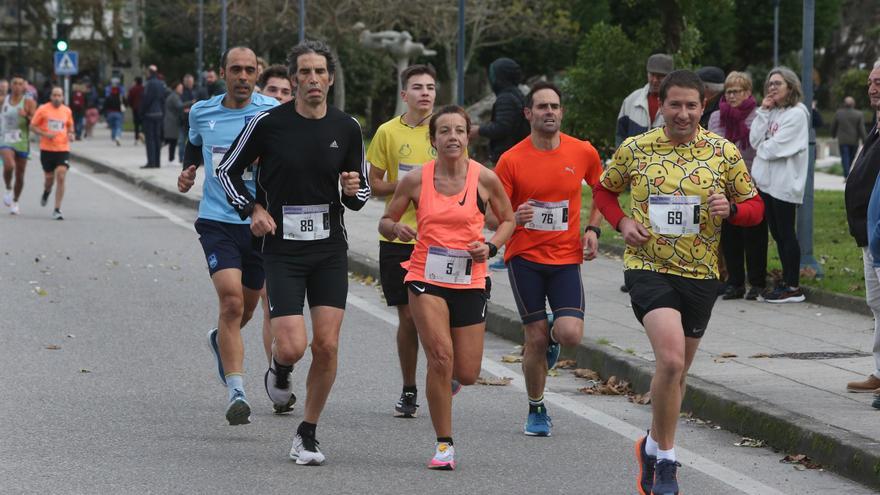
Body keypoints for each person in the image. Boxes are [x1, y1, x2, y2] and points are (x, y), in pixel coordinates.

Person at [593, 70, 764, 495]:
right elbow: (603, 191)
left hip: (702, 274)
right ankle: (667, 461)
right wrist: (622, 221)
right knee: (669, 361)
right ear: (661, 105)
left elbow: (756, 207)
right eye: (675, 105)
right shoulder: (637, 148)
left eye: (691, 105)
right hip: (648, 266)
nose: (683, 113)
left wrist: (733, 211)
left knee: (678, 373)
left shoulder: (722, 153)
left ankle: (651, 444)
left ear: (703, 106)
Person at [217, 40, 371, 465]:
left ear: (331, 78)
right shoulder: (268, 123)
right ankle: (281, 369)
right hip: (281, 252)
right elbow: (227, 170)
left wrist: (353, 191)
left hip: (329, 251)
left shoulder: (347, 127)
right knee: (292, 347)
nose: (313, 80)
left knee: (327, 345)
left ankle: (307, 432)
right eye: (305, 73)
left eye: (320, 72)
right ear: (294, 78)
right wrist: (253, 208)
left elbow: (362, 193)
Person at [379, 105, 514, 470]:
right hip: (425, 276)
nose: (452, 137)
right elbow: (386, 220)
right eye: (444, 131)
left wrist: (491, 246)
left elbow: (509, 219)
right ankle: (444, 444)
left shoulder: (484, 178)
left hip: (470, 279)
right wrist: (396, 229)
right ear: (433, 139)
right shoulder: (416, 180)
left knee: (466, 372)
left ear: (468, 135)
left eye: (459, 130)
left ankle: (447, 381)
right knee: (440, 357)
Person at [491, 81, 604, 437]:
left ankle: (553, 337)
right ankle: (536, 407)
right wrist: (514, 216)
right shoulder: (511, 160)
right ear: (528, 114)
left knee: (569, 334)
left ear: (562, 112)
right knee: (535, 338)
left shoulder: (582, 151)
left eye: (554, 106)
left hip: (566, 257)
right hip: (524, 257)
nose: (549, 112)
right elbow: (491, 214)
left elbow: (604, 191)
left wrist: (593, 229)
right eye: (542, 107)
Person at [177, 46, 279, 425]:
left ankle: (221, 341)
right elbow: (194, 145)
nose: (242, 76)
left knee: (247, 308)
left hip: (259, 225)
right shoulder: (203, 112)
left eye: (249, 70)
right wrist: (188, 171)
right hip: (217, 221)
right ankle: (237, 390)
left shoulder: (271, 112)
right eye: (235, 69)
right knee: (232, 302)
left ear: (258, 72)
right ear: (222, 72)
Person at [366, 64, 437, 418]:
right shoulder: (387, 133)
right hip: (398, 238)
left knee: (440, 319)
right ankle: (409, 388)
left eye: (430, 87)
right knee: (408, 318)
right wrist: (409, 185)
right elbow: (373, 184)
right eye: (417, 87)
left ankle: (442, 372)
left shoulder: (448, 131)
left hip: (440, 240)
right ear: (404, 95)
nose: (425, 92)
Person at [749, 66, 810, 303]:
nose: (772, 87)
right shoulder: (773, 111)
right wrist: (763, 111)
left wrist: (763, 146)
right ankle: (785, 281)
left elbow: (777, 147)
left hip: (785, 184)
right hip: (767, 183)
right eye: (770, 83)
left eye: (778, 83)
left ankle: (793, 286)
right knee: (777, 233)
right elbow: (755, 139)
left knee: (786, 233)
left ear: (791, 87)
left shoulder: (797, 113)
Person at [708, 71, 768, 301]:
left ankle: (757, 283)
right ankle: (735, 282)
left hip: (752, 181)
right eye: (729, 91)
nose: (731, 96)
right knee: (730, 235)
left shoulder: (757, 116)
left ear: (748, 92)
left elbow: (758, 147)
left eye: (737, 91)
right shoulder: (716, 118)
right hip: (724, 184)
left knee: (755, 235)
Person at [844, 63, 880, 399]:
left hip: (878, 233)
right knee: (876, 303)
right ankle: (879, 371)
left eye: (879, 82)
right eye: (871, 81)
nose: (872, 87)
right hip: (869, 235)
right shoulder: (875, 125)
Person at [469, 57, 530, 165]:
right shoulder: (516, 94)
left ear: (500, 77)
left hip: (508, 157)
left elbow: (502, 127)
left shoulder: (506, 98)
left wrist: (479, 130)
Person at [29, 86, 74, 220]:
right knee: (49, 179)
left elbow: (70, 125)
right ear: (50, 97)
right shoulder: (43, 109)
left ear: (63, 97)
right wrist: (44, 133)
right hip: (47, 149)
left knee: (61, 175)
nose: (56, 98)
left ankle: (57, 209)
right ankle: (47, 192)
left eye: (59, 95)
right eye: (54, 95)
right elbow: (32, 126)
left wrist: (71, 134)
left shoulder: (67, 110)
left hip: (62, 148)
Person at [616, 53, 674, 146]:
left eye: (660, 76)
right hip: (633, 159)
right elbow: (620, 135)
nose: (654, 80)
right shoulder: (632, 100)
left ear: (669, 77)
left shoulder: (678, 104)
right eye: (652, 75)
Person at [1, 75, 37, 215]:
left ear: (24, 87)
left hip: (22, 141)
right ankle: (8, 187)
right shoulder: (3, 100)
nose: (17, 86)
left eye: (20, 84)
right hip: (5, 139)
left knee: (20, 174)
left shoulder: (29, 102)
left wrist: (26, 116)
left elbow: (35, 122)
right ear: (11, 86)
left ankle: (15, 200)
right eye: (14, 83)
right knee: (9, 165)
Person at [832, 96, 868, 178]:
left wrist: (833, 135)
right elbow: (861, 128)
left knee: (845, 158)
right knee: (851, 157)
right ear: (853, 104)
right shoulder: (859, 114)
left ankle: (846, 174)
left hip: (843, 140)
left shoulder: (839, 113)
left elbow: (834, 126)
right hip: (854, 140)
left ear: (844, 104)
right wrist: (864, 140)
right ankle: (847, 174)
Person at [140, 65, 166, 168]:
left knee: (150, 139)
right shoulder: (161, 84)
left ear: (150, 73)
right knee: (157, 138)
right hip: (159, 114)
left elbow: (146, 99)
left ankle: (151, 162)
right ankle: (157, 162)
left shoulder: (149, 84)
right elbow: (163, 99)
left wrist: (141, 112)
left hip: (150, 114)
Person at [163, 81, 184, 164]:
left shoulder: (173, 95)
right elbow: (180, 106)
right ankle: (171, 160)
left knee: (171, 141)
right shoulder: (174, 96)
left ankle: (171, 159)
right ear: (176, 88)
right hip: (172, 121)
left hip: (170, 121)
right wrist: (191, 102)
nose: (181, 89)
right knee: (172, 141)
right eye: (180, 88)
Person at [127, 76, 144, 143]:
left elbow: (129, 99)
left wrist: (131, 105)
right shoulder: (144, 89)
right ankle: (142, 133)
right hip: (143, 108)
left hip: (135, 108)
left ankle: (136, 138)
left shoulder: (132, 89)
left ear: (136, 81)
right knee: (143, 122)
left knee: (136, 124)